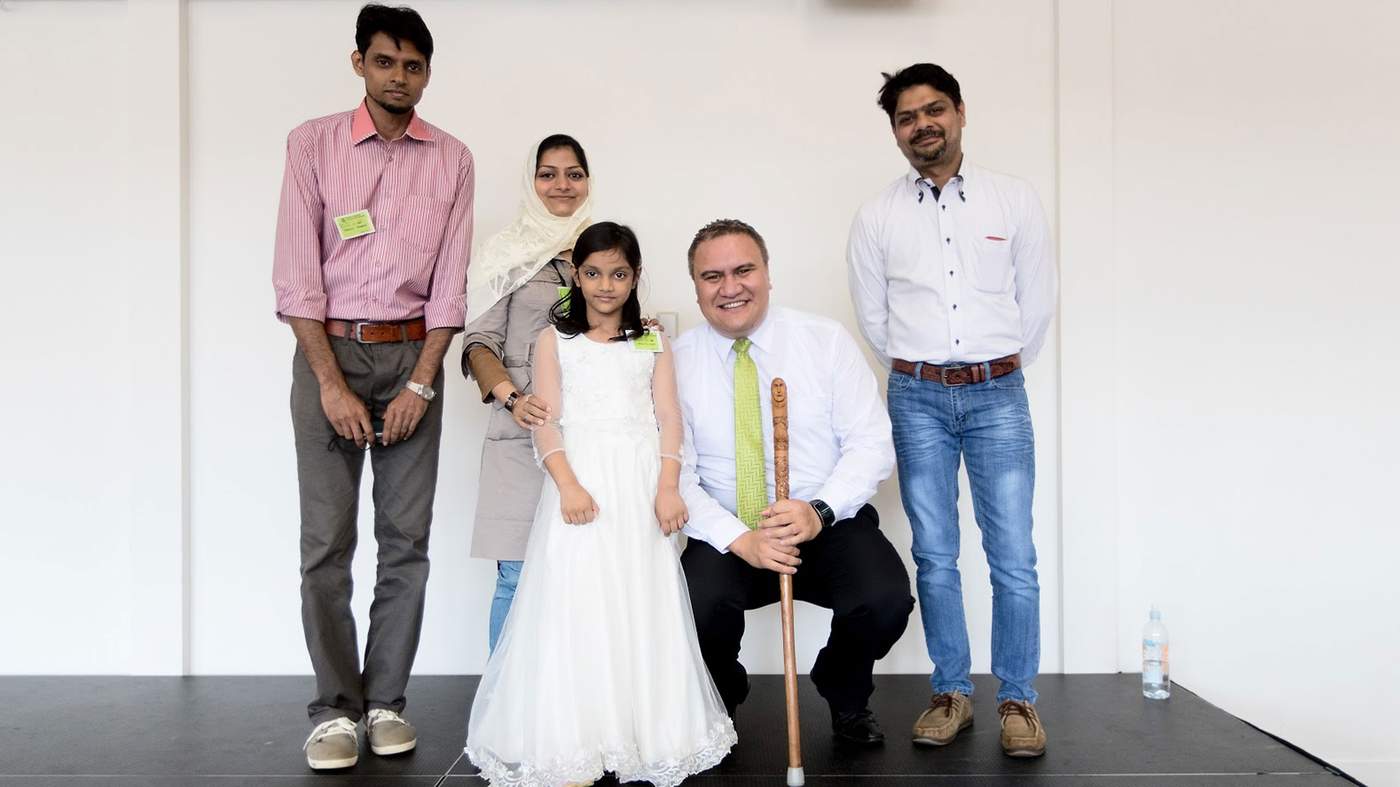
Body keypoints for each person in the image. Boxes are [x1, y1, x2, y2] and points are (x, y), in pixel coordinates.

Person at [271, 4, 474, 770]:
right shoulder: (313, 144)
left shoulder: (453, 158)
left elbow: (449, 286)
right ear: (359, 62)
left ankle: (386, 699)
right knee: (326, 543)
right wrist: (330, 382)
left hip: (414, 359)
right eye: (386, 61)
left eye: (414, 65)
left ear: (427, 72)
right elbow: (297, 277)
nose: (400, 77)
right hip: (330, 353)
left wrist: (423, 380)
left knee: (406, 543)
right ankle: (333, 709)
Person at [465, 222, 736, 787]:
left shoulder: (651, 339)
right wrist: (566, 484)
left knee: (638, 599)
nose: (606, 285)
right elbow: (547, 420)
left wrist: (667, 486)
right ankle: (576, 738)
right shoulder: (553, 341)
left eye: (618, 273)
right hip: (581, 482)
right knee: (577, 602)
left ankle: (644, 732)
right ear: (577, 276)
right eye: (593, 273)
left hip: (639, 488)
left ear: (635, 276)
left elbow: (669, 418)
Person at [846, 63, 1057, 757]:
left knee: (1014, 557)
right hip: (917, 398)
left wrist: (992, 368)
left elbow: (1037, 303)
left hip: (999, 393)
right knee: (936, 554)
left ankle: (1019, 700)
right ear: (895, 131)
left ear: (961, 112)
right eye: (907, 117)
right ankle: (951, 692)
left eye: (934, 110)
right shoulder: (877, 216)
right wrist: (927, 370)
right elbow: (875, 321)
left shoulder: (1014, 200)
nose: (922, 125)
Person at [675, 219, 914, 746]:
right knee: (692, 604)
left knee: (885, 598)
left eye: (743, 270)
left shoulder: (823, 340)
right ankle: (721, 698)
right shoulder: (675, 362)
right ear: (695, 286)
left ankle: (844, 687)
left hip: (823, 522)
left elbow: (870, 442)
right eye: (712, 276)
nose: (730, 287)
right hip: (730, 532)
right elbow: (676, 474)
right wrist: (743, 540)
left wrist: (817, 510)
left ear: (767, 273)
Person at [460, 134, 593, 653]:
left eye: (574, 173)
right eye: (548, 173)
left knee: (584, 575)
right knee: (517, 575)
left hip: (589, 438)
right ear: (530, 180)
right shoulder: (506, 253)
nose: (562, 185)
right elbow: (478, 343)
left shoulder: (600, 247)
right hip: (520, 435)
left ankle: (569, 708)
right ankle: (504, 712)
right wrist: (513, 398)